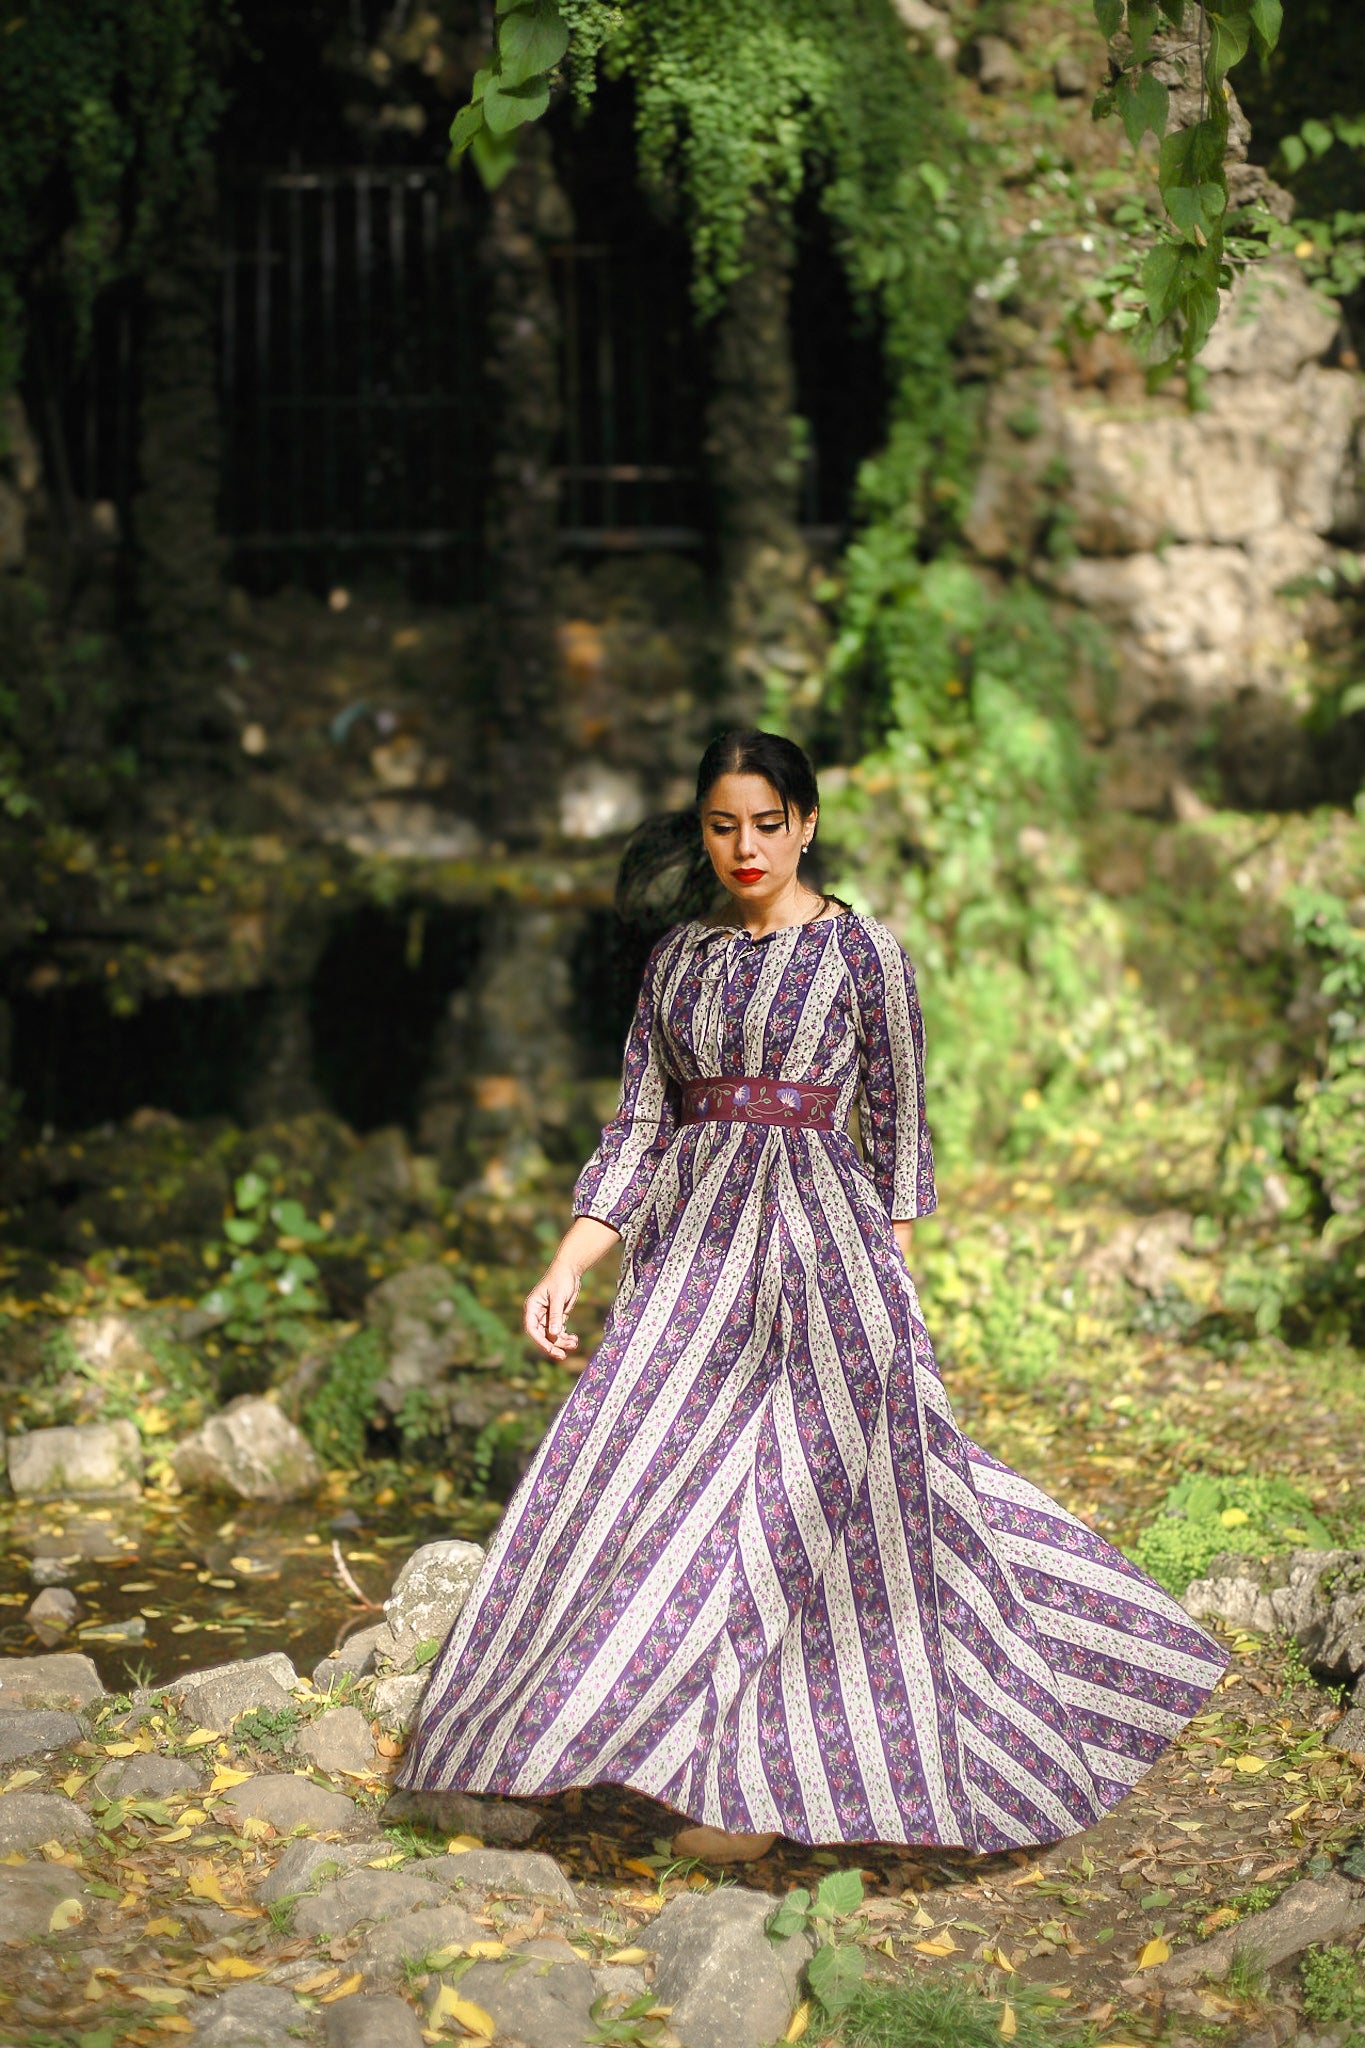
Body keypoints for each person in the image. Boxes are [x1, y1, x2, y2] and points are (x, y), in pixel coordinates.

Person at [398, 729, 1226, 1862]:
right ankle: (550, 1735)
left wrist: (891, 1279)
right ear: (703, 828)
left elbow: (897, 1127)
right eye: (722, 824)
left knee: (813, 1491)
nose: (745, 846)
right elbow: (642, 1124)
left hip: (819, 1251)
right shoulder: (678, 959)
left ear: (808, 823)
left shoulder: (863, 952)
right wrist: (568, 1259)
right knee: (635, 1471)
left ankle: (748, 1791)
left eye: (767, 823)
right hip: (691, 1255)